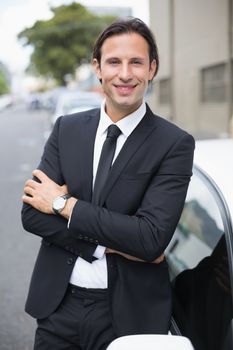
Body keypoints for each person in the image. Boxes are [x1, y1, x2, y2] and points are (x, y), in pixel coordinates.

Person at [21, 17, 195, 350]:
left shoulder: (174, 144)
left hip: (130, 316)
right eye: (114, 62)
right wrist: (106, 243)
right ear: (97, 68)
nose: (125, 74)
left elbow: (149, 240)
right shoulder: (66, 129)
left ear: (152, 69)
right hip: (58, 308)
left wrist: (63, 205)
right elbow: (31, 215)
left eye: (136, 62)